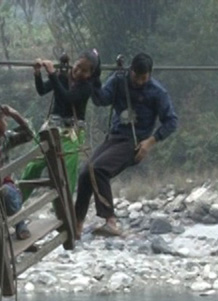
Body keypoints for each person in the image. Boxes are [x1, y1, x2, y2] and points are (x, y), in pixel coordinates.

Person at [75, 52, 178, 237]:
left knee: (98, 169)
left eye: (143, 78)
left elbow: (171, 121)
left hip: (135, 142)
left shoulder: (157, 92)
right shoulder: (118, 80)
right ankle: (77, 224)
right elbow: (100, 100)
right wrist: (93, 79)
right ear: (130, 70)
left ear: (149, 75)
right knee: (85, 172)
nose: (139, 81)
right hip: (114, 137)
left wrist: (150, 142)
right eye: (136, 76)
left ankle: (111, 221)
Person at [20, 49, 100, 198]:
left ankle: (66, 210)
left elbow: (67, 98)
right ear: (74, 63)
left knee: (66, 170)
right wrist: (37, 73)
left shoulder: (86, 87)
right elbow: (42, 90)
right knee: (34, 164)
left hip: (72, 133)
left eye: (84, 71)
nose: (78, 72)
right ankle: (16, 202)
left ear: (90, 74)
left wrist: (52, 74)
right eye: (77, 66)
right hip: (52, 127)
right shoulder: (63, 77)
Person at [0, 103, 34, 240]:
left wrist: (14, 114)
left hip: (6, 189)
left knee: (6, 192)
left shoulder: (5, 139)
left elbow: (29, 135)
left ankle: (20, 223)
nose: (6, 123)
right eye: (4, 120)